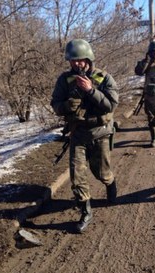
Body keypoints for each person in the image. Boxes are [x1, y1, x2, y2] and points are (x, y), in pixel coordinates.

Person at [51, 39, 119, 232]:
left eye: (80, 60)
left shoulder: (103, 78)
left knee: (101, 172)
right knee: (77, 175)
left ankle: (110, 183)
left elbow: (111, 105)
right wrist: (65, 107)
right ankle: (85, 211)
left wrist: (90, 91)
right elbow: (55, 104)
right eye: (73, 61)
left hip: (100, 133)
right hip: (78, 134)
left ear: (88, 59)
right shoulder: (65, 80)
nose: (76, 64)